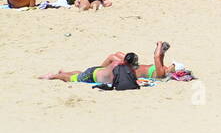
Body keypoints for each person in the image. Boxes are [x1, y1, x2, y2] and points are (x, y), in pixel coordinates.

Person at [40, 41, 187, 84]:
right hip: (129, 67)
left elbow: (156, 57)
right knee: (115, 55)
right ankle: (64, 74)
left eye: (172, 66)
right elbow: (159, 58)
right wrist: (163, 50)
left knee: (112, 57)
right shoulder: (162, 68)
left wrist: (159, 45)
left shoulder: (161, 73)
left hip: (128, 69)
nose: (170, 65)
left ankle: (56, 76)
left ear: (172, 71)